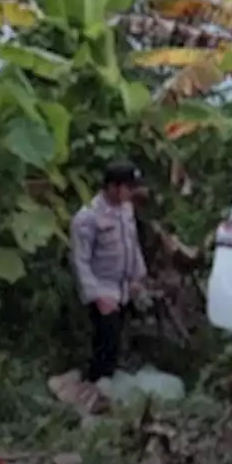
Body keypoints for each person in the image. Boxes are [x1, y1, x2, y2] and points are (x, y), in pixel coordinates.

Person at [69, 160, 149, 383]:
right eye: (128, 187)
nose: (132, 192)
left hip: (123, 287)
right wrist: (96, 296)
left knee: (118, 343)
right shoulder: (88, 217)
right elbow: (80, 260)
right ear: (113, 187)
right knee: (105, 344)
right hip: (103, 287)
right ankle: (97, 386)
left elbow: (132, 244)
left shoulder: (126, 209)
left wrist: (137, 277)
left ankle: (110, 386)